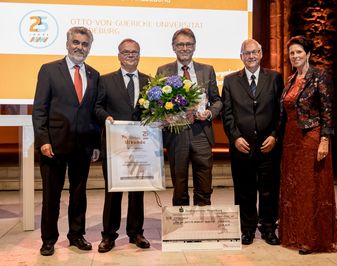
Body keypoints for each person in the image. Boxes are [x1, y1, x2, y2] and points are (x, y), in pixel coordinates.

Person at [32, 26, 100, 256]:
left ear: (89, 47)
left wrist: (96, 145)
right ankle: (48, 239)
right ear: (68, 44)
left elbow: (93, 113)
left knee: (79, 194)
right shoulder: (50, 70)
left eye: (84, 44)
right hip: (54, 145)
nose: (80, 47)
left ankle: (76, 235)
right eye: (76, 42)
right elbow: (40, 109)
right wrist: (43, 140)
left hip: (83, 146)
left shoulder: (94, 74)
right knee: (52, 195)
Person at [278, 35, 337, 255]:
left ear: (308, 54)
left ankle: (312, 240)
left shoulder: (319, 77)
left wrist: (325, 140)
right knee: (293, 188)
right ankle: (294, 234)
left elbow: (328, 112)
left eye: (298, 52)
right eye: (292, 53)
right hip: (291, 139)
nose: (294, 56)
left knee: (310, 188)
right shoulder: (291, 79)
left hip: (311, 138)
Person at [222, 39, 284, 246]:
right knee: (244, 190)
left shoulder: (275, 78)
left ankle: (268, 228)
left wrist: (275, 135)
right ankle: (246, 229)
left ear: (261, 53)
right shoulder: (230, 81)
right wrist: (235, 137)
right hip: (242, 146)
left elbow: (280, 112)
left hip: (269, 145)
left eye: (254, 52)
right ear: (241, 56)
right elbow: (227, 114)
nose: (251, 56)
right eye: (246, 53)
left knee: (269, 189)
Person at [94, 38, 150, 252]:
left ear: (139, 55)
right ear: (119, 55)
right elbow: (97, 107)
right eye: (126, 52)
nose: (130, 55)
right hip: (114, 145)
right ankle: (108, 235)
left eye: (134, 52)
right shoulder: (105, 80)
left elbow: (153, 112)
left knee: (138, 192)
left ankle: (136, 233)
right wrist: (106, 117)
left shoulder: (149, 81)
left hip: (140, 147)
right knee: (113, 192)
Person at [156, 28, 222, 206]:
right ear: (173, 47)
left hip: (201, 132)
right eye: (180, 44)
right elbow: (157, 104)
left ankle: (202, 222)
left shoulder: (207, 70)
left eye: (188, 44)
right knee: (179, 183)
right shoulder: (163, 71)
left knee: (204, 181)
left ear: (194, 47)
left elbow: (217, 101)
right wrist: (167, 115)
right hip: (176, 134)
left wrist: (209, 112)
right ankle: (180, 225)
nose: (184, 48)